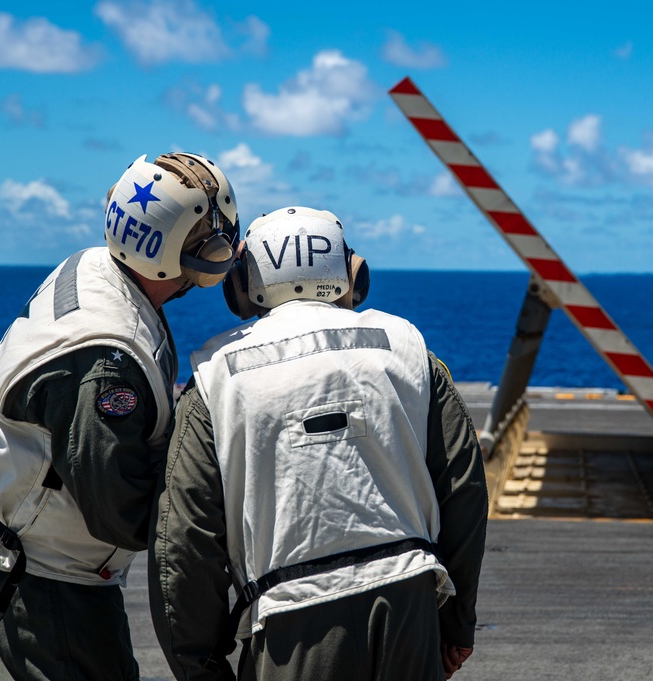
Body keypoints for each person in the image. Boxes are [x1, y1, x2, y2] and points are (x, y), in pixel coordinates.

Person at [149, 206, 488, 681]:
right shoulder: (407, 348)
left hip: (289, 618)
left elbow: (185, 537)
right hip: (410, 604)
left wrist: (199, 663)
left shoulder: (215, 376)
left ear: (241, 287)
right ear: (353, 275)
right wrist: (456, 622)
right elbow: (464, 489)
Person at [0, 152, 240, 680]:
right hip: (45, 588)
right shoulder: (106, 362)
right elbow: (121, 508)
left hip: (43, 564)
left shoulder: (97, 268)